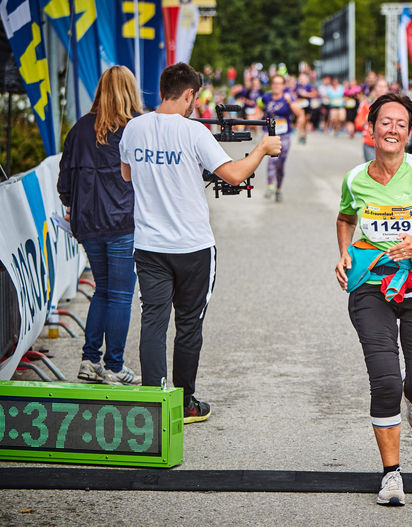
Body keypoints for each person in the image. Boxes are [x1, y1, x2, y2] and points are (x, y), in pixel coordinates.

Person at [119, 63, 281, 423]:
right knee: (189, 324)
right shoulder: (193, 133)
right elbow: (236, 175)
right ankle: (185, 403)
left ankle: (154, 407)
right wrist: (262, 148)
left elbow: (127, 173)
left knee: (153, 323)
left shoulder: (134, 128)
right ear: (190, 94)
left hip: (149, 246)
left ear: (163, 89)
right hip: (192, 247)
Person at [335, 92, 412, 505]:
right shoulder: (355, 178)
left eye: (401, 124)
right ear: (371, 128)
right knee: (385, 379)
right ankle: (392, 475)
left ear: (409, 132)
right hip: (372, 283)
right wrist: (343, 253)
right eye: (385, 122)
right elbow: (345, 217)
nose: (392, 130)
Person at [57, 66, 142, 386]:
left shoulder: (79, 129)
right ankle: (114, 365)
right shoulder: (135, 129)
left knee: (103, 291)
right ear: (130, 92)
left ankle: (90, 359)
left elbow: (64, 180)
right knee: (120, 295)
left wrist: (70, 204)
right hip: (123, 223)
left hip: (87, 225)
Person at [260, 74, 304, 202]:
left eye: (279, 83)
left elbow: (299, 113)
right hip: (270, 134)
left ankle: (278, 189)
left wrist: (290, 101)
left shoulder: (288, 97)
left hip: (284, 135)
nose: (276, 86)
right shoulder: (266, 97)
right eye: (274, 83)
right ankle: (269, 186)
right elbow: (259, 108)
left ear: (283, 86)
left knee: (280, 164)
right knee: (272, 160)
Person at [355, 76, 389, 162]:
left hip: (388, 144)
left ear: (387, 89)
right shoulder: (366, 105)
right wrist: (366, 120)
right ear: (375, 88)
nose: (382, 89)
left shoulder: (392, 106)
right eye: (379, 86)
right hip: (370, 144)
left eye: (384, 87)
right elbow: (358, 125)